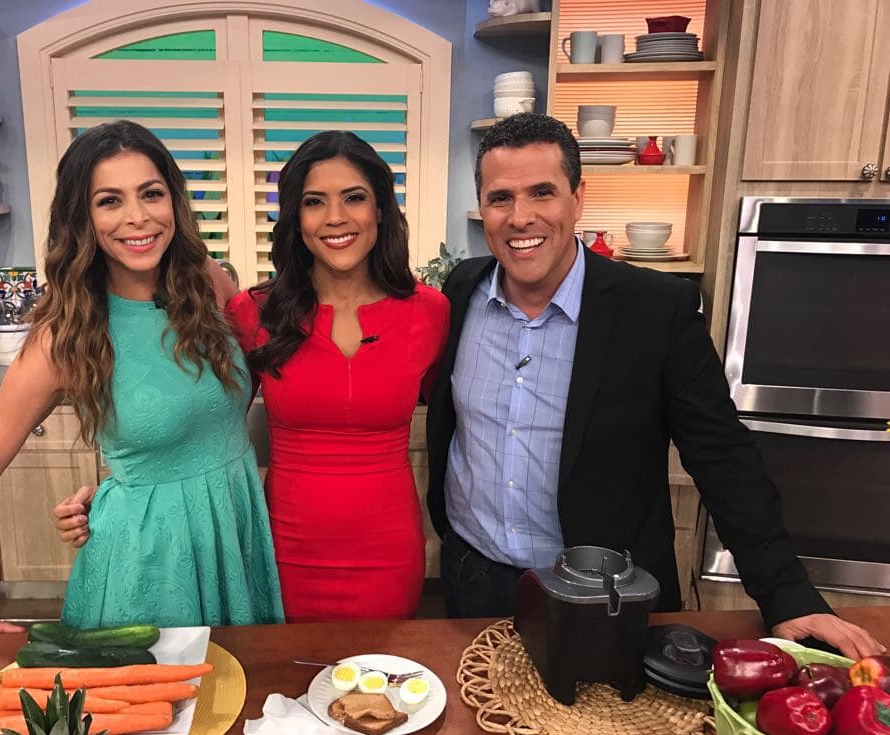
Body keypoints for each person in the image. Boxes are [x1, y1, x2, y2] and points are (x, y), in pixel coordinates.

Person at [425, 112, 884, 659]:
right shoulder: (461, 289)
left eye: (542, 192)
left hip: (606, 594)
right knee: (478, 734)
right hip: (473, 576)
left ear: (578, 198)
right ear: (483, 207)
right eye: (501, 198)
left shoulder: (655, 311)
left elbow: (722, 456)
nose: (520, 217)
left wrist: (786, 593)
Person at [0, 120, 284, 680]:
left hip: (233, 531)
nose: (137, 217)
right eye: (110, 201)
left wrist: (122, 475)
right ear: (82, 218)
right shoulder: (65, 334)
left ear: (174, 202)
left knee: (237, 711)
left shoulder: (207, 283)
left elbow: (213, 405)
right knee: (152, 731)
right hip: (147, 561)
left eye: (151, 193)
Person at [57, 131, 449, 623]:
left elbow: (467, 430)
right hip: (281, 549)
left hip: (390, 553)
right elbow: (204, 424)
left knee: (378, 689)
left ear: (382, 211)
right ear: (294, 219)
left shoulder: (430, 313)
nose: (335, 217)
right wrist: (121, 490)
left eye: (355, 198)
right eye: (314, 202)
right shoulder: (255, 312)